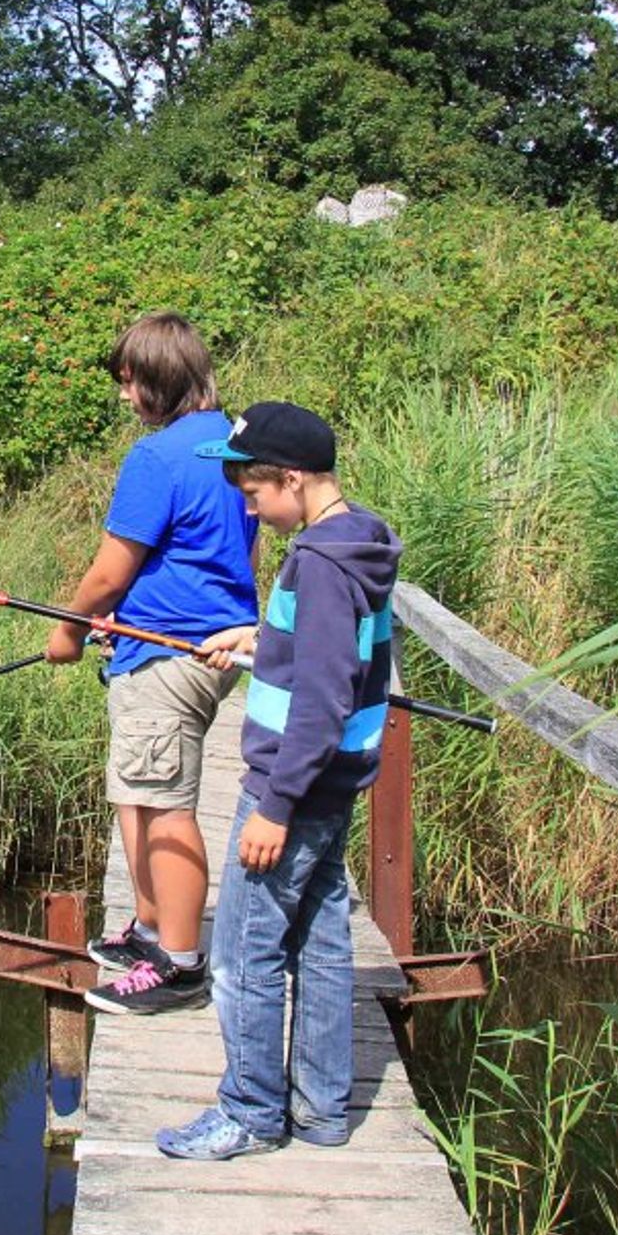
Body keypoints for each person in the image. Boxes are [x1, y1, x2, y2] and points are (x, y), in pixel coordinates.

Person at [154, 401, 402, 1160]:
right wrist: (261, 641)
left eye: (255, 493)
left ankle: (252, 1112)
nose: (249, 506)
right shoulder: (360, 539)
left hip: (293, 791)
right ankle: (322, 1110)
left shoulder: (318, 564)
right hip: (336, 786)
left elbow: (324, 697)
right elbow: (334, 656)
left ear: (293, 479)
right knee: (322, 942)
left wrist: (276, 806)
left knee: (243, 952)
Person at [44, 313, 258, 1016]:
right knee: (137, 791)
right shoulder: (234, 443)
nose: (124, 398)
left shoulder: (156, 459)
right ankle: (146, 928)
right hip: (199, 647)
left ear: (156, 382)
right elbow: (237, 554)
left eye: (129, 383)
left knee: (165, 805)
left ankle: (180, 965)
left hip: (169, 658)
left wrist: (70, 632)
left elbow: (109, 573)